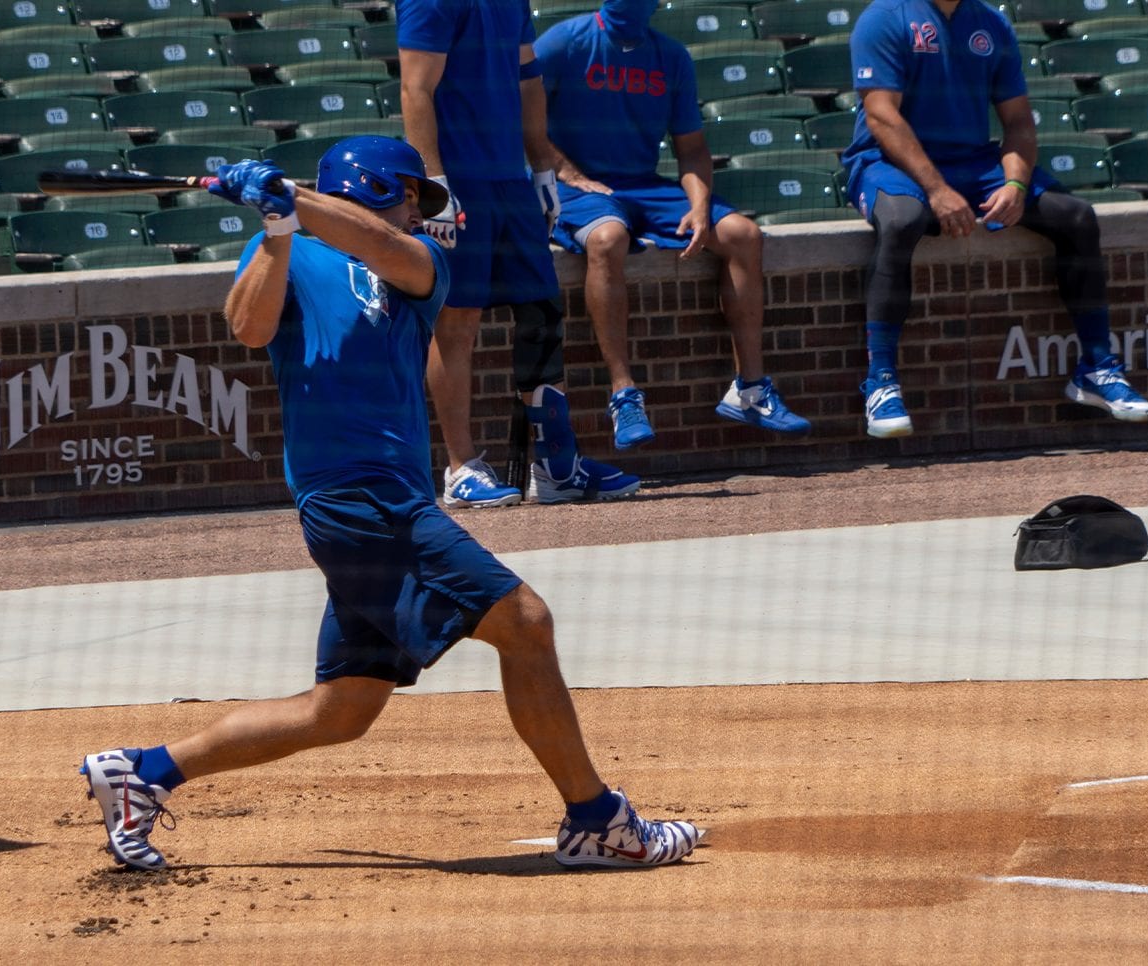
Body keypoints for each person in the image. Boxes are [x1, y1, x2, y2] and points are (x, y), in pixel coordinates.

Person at [78, 138, 700, 873]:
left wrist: (290, 198)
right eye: (409, 194)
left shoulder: (415, 263)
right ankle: (597, 821)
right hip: (358, 501)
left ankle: (143, 772)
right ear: (373, 184)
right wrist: (278, 230)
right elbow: (247, 328)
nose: (417, 210)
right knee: (526, 622)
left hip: (387, 499)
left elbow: (380, 244)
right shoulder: (285, 249)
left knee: (341, 709)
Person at [845, 0, 1148, 437]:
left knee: (1076, 217)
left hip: (972, 162)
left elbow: (1019, 120)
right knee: (901, 220)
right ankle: (881, 383)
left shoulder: (991, 22)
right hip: (885, 162)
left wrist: (1016, 185)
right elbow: (881, 116)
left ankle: (1096, 368)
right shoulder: (884, 17)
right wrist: (936, 189)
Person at [536, 0, 813, 449]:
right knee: (608, 239)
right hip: (578, 190)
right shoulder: (565, 41)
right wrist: (565, 170)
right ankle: (624, 396)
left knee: (743, 234)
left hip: (643, 184)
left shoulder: (671, 55)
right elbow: (516, 112)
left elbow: (692, 148)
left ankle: (751, 388)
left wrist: (700, 205)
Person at [399, 0, 639, 507]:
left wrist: (545, 168)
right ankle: (461, 468)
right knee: (457, 321)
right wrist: (433, 185)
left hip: (512, 181)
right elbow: (415, 89)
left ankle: (556, 467)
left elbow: (527, 77)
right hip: (459, 181)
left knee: (542, 312)